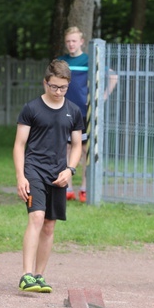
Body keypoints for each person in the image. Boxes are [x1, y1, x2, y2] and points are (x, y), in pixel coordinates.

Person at [13, 59, 83, 292]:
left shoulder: (73, 111)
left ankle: (40, 275)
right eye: (54, 86)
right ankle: (26, 275)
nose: (58, 91)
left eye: (63, 87)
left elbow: (76, 146)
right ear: (45, 83)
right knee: (36, 217)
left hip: (58, 173)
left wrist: (70, 170)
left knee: (50, 225)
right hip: (34, 169)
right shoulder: (31, 109)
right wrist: (20, 177)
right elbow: (19, 145)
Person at [57, 27, 118, 202]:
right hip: (63, 111)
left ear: (81, 42)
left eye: (74, 41)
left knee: (84, 150)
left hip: (84, 113)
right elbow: (47, 81)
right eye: (68, 41)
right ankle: (67, 187)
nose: (71, 44)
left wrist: (101, 99)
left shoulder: (89, 60)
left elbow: (113, 77)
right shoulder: (62, 61)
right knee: (65, 148)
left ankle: (84, 188)